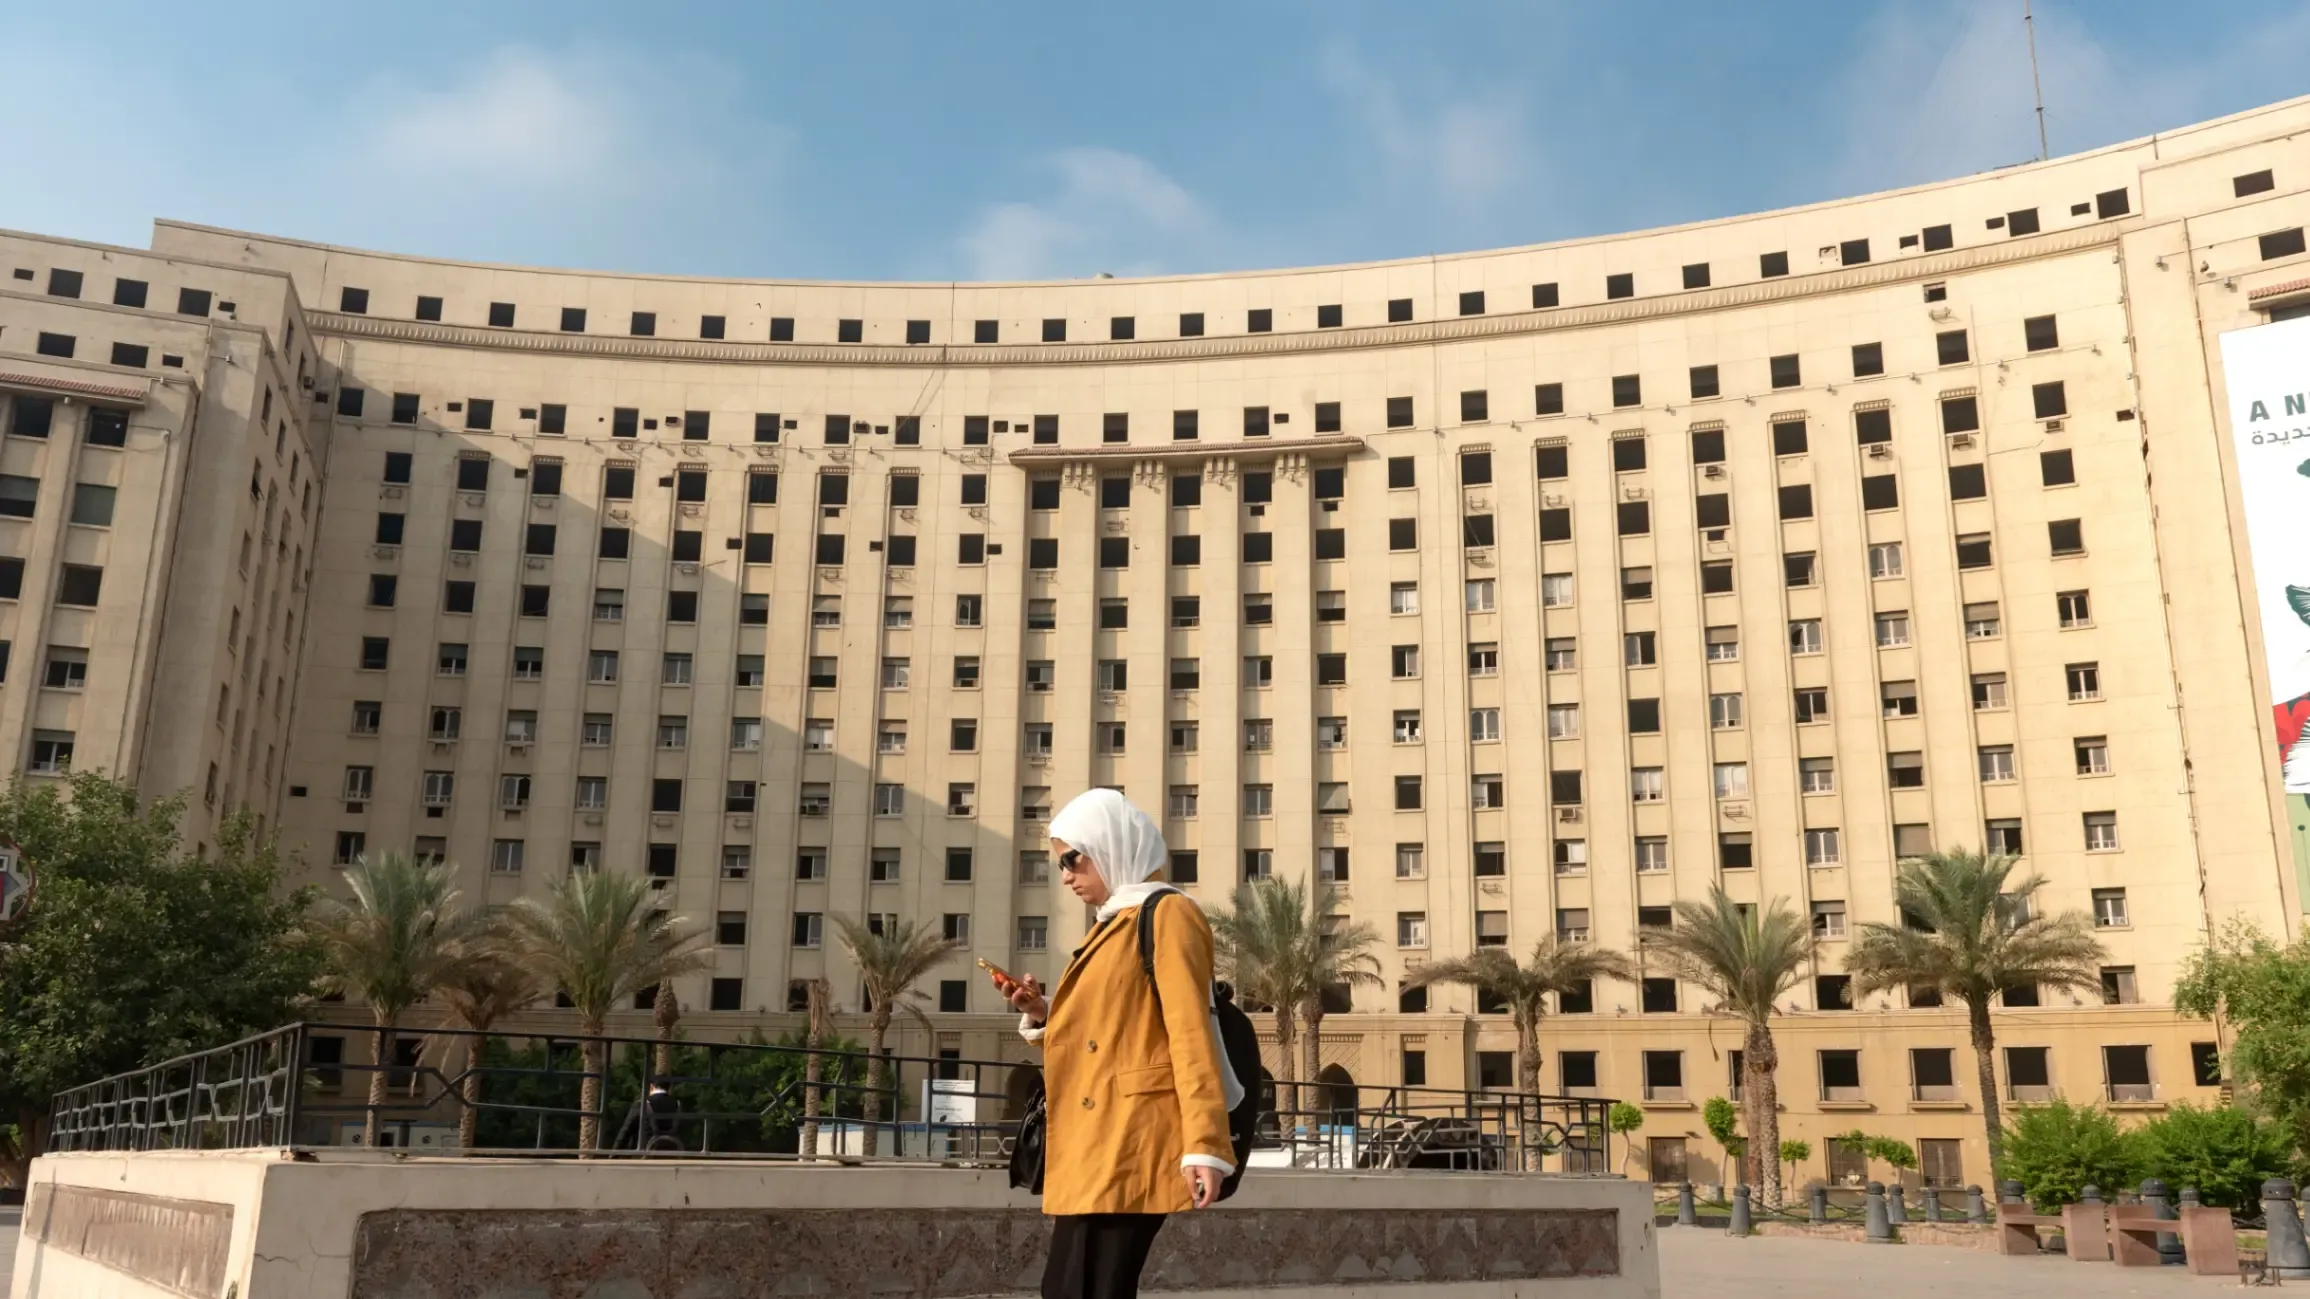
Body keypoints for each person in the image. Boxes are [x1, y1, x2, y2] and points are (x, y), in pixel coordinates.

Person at [1008, 788, 1236, 1299]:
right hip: (1097, 1139)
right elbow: (1108, 1034)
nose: (1065, 874)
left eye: (1072, 858)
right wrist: (1042, 1014)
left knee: (1088, 1287)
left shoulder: (1167, 914)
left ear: (1109, 845)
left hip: (1132, 1138)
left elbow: (1190, 1032)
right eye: (1059, 863)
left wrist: (1204, 1143)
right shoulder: (1112, 924)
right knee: (1071, 1288)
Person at [613, 1077, 683, 1152]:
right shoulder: (677, 1104)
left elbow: (626, 1131)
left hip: (646, 1151)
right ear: (669, 1088)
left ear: (651, 1086)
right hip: (672, 1151)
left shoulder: (642, 1104)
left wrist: (614, 1154)